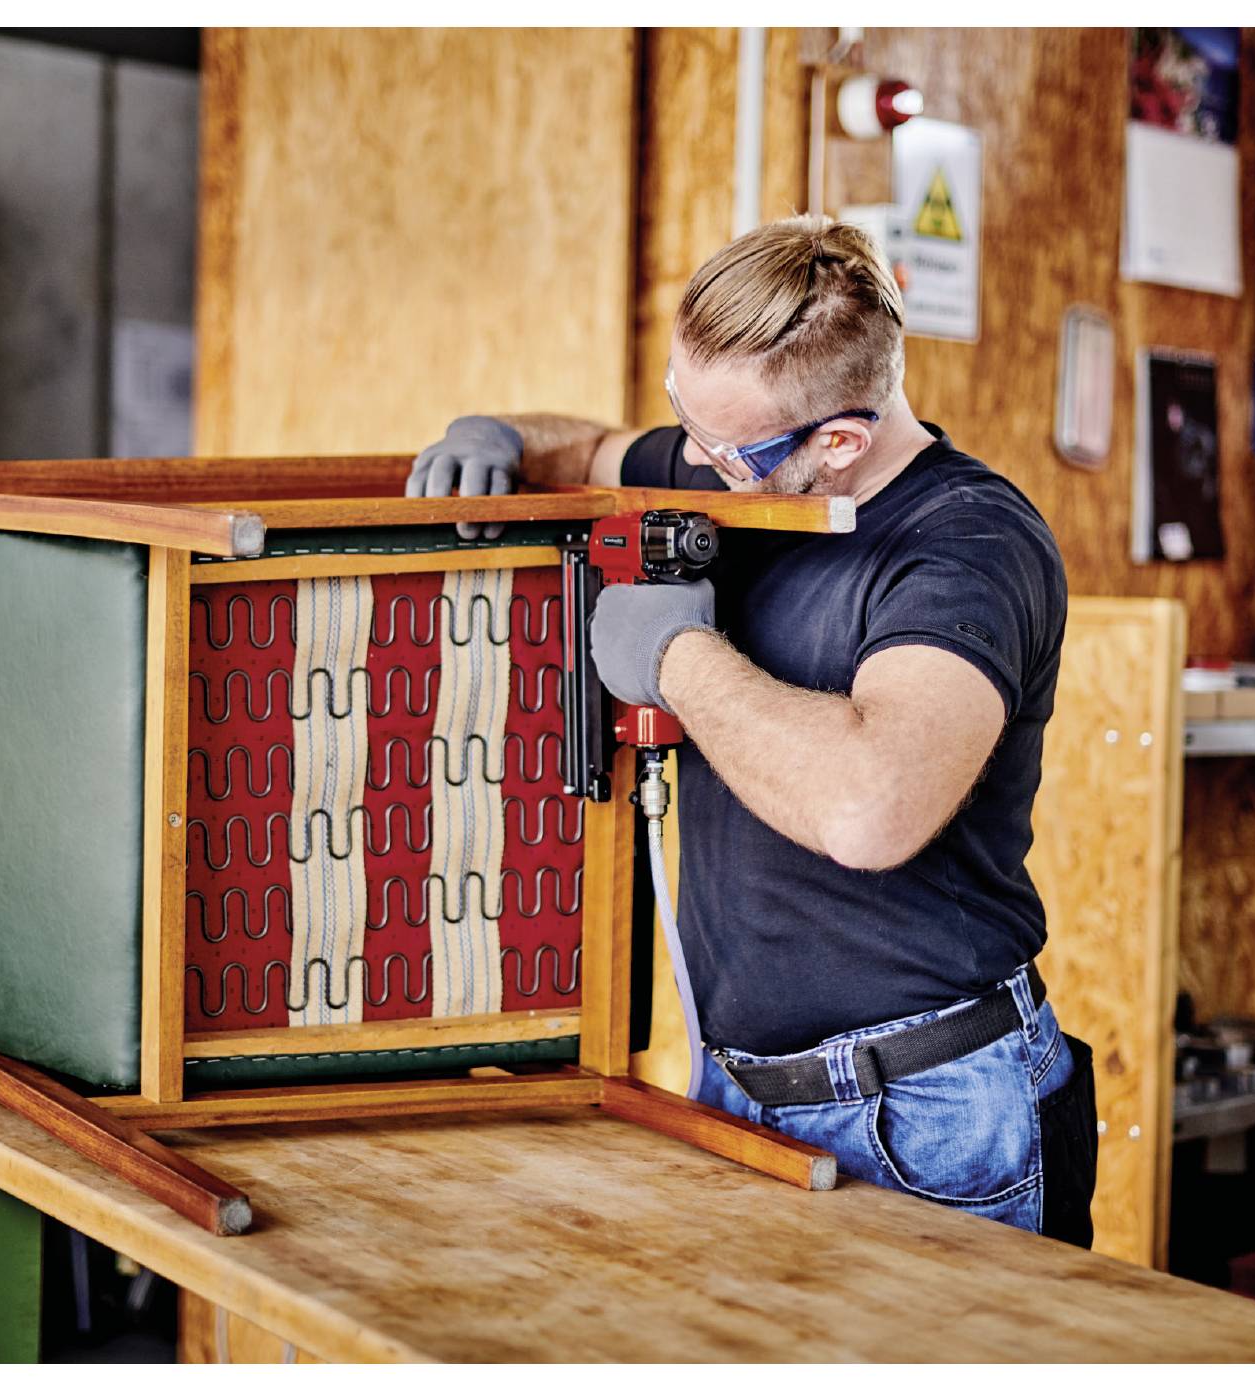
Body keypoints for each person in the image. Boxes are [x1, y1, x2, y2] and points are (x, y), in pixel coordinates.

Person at [406, 214, 1098, 1245]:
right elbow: (587, 445)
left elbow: (872, 807)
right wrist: (494, 436)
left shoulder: (969, 545)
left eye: (722, 447)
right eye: (683, 413)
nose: (689, 458)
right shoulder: (730, 460)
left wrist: (677, 659)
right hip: (734, 1093)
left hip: (927, 1113)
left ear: (839, 441)